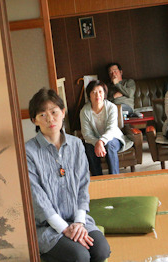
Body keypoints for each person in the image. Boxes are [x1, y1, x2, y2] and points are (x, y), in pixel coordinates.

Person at [25, 88, 111, 262]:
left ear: (63, 113)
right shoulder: (28, 151)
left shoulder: (76, 144)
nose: (49, 119)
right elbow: (37, 198)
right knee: (80, 256)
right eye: (42, 115)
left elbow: (82, 186)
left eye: (54, 112)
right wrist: (65, 228)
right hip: (47, 225)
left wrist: (79, 223)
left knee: (101, 251)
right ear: (34, 120)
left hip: (77, 218)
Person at [80, 80, 133, 175]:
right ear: (89, 95)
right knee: (89, 148)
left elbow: (111, 129)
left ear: (104, 94)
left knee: (110, 145)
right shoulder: (84, 111)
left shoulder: (111, 107)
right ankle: (98, 178)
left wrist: (101, 141)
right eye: (94, 92)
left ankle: (114, 178)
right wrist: (97, 143)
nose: (97, 95)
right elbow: (86, 134)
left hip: (113, 138)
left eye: (100, 92)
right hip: (94, 140)